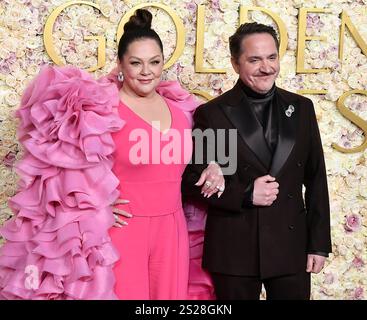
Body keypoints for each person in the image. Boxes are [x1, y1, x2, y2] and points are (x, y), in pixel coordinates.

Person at [0, 9, 220, 300]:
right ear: (120, 64)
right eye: (136, 63)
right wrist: (95, 210)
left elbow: (192, 159)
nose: (146, 71)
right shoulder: (101, 111)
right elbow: (63, 175)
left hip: (172, 230)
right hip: (124, 231)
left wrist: (214, 163)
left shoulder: (182, 110)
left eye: (154, 62)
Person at [182, 22, 332, 300]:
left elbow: (316, 178)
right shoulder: (213, 114)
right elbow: (193, 181)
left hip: (290, 248)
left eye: (271, 57)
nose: (266, 67)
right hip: (234, 250)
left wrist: (318, 244)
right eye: (254, 59)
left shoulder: (301, 108)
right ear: (235, 63)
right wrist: (246, 194)